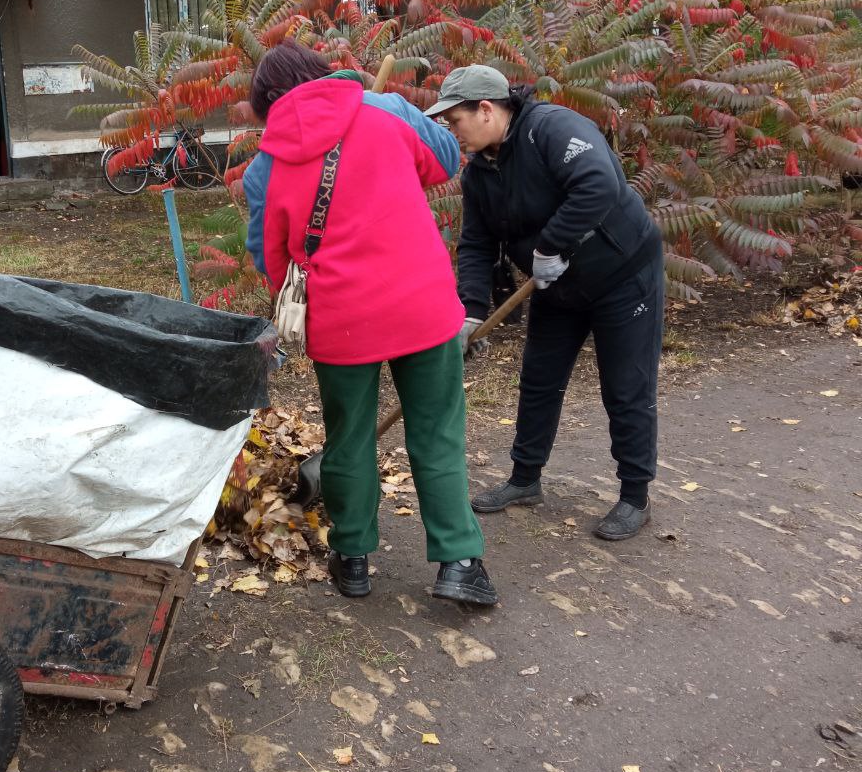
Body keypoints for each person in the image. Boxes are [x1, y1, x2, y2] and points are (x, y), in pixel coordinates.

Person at [244, 40, 497, 606]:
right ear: (323, 74)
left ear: (268, 105)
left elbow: (270, 259)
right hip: (422, 306)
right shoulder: (381, 109)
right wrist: (398, 113)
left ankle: (353, 559)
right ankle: (458, 562)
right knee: (435, 434)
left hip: (339, 320)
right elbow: (445, 161)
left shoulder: (266, 165)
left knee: (349, 438)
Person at [428, 65, 664, 541]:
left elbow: (599, 183)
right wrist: (471, 312)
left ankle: (635, 496)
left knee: (625, 386)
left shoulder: (554, 129)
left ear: (487, 109)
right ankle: (525, 479)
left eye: (455, 121)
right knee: (539, 379)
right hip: (556, 286)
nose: (452, 132)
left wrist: (549, 246)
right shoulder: (479, 176)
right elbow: (475, 246)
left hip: (623, 274)